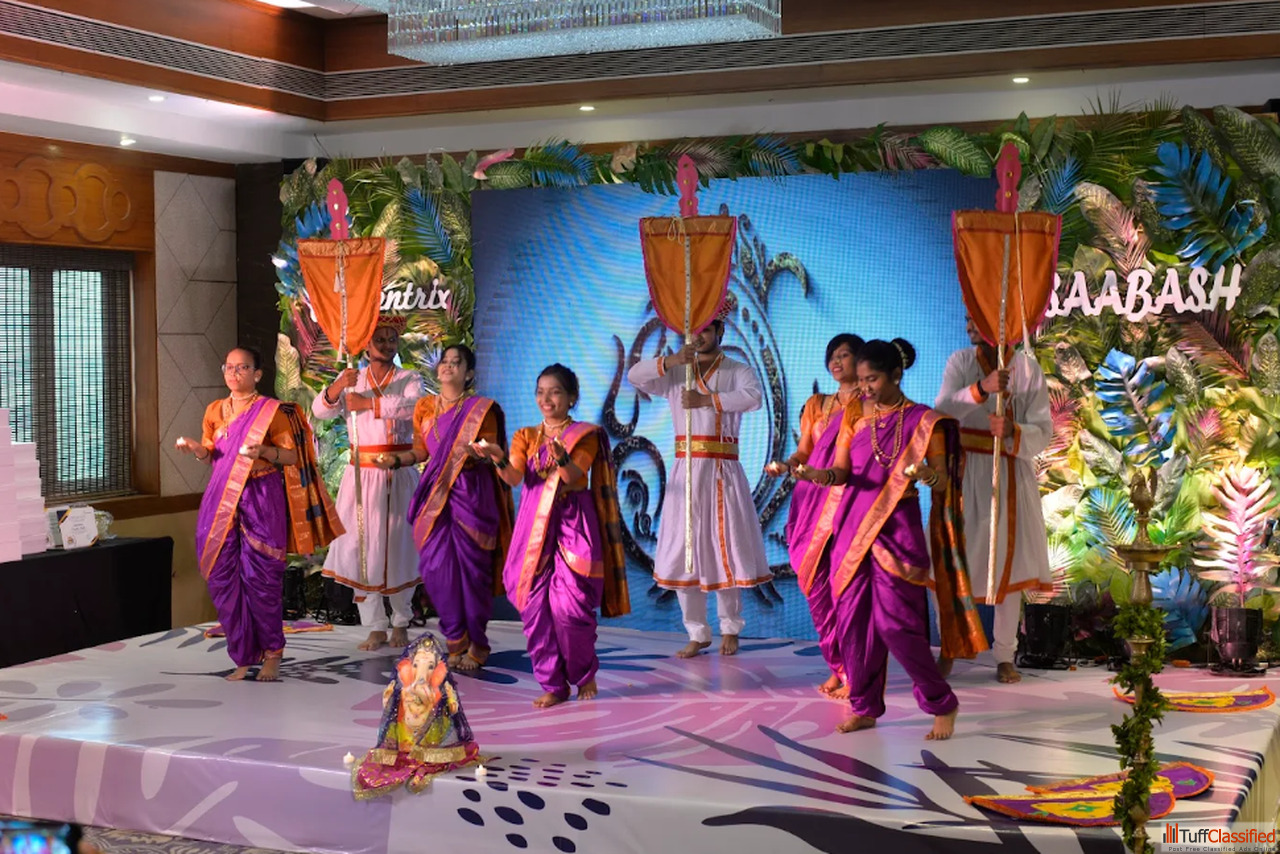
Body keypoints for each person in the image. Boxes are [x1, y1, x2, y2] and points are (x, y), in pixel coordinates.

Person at [794, 338, 986, 740]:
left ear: (896, 375)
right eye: (862, 380)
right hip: (851, 527)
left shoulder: (924, 421)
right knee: (853, 623)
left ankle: (941, 702)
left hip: (897, 529)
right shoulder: (853, 416)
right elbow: (841, 472)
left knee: (896, 626)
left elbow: (943, 480)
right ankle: (864, 707)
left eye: (873, 379)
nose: (865, 388)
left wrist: (927, 475)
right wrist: (816, 475)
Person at [176, 345, 342, 682]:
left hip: (261, 496)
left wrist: (264, 451)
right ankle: (243, 654)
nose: (234, 373)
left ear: (258, 374)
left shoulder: (271, 412)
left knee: (260, 579)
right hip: (221, 500)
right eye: (229, 366)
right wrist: (196, 450)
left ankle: (273, 653)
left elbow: (292, 457)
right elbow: (212, 455)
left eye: (242, 367)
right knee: (222, 578)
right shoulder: (214, 410)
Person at [473, 364, 629, 709]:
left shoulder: (585, 435)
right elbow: (515, 477)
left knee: (569, 610)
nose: (546, 399)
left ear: (571, 397)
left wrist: (562, 459)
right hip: (534, 532)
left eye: (555, 392)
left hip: (573, 526)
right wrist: (498, 458)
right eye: (540, 392)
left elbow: (574, 475)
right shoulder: (525, 436)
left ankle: (584, 674)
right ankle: (554, 685)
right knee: (535, 611)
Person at [626, 298, 773, 658]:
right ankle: (697, 631)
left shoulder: (737, 370)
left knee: (727, 547)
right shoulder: (678, 372)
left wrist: (709, 401)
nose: (700, 336)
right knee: (684, 549)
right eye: (694, 331)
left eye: (707, 329)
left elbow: (754, 398)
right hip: (687, 470)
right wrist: (670, 361)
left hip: (724, 469)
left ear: (721, 330)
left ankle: (729, 627)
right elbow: (635, 376)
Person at [934, 316, 1054, 683]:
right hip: (965, 471)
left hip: (1009, 471)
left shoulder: (1027, 370)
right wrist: (980, 390)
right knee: (954, 563)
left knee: (1008, 564)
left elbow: (1043, 429)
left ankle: (1005, 655)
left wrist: (1014, 430)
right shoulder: (960, 362)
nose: (968, 325)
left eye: (976, 319)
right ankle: (950, 647)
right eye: (966, 318)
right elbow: (942, 409)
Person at [381, 344, 513, 671]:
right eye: (445, 361)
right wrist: (395, 460)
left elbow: (490, 452)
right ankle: (455, 639)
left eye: (457, 363)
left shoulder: (482, 410)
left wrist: (477, 452)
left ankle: (477, 644)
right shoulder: (425, 407)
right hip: (435, 496)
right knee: (436, 570)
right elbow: (421, 452)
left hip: (472, 494)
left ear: (469, 374)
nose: (448, 366)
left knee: (472, 573)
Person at [313, 315, 424, 652]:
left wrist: (368, 404)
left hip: (398, 471)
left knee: (399, 545)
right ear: (366, 344)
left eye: (392, 339)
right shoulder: (352, 377)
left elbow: (413, 408)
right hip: (361, 476)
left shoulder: (408, 377)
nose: (387, 345)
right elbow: (320, 411)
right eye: (380, 339)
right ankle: (375, 625)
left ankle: (401, 621)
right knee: (362, 547)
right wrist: (337, 388)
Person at [764, 333, 864, 698]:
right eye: (832, 356)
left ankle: (856, 670)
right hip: (810, 499)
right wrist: (786, 465)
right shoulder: (817, 404)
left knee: (844, 588)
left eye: (844, 355)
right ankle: (838, 666)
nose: (836, 362)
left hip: (847, 501)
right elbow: (804, 451)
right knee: (817, 587)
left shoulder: (868, 405)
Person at [351, 632, 482, 798]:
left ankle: (425, 753)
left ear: (437, 669)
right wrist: (391, 697)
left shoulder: (439, 690)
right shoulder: (404, 688)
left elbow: (453, 708)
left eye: (430, 666)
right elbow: (391, 708)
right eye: (416, 664)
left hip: (431, 739)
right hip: (406, 735)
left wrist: (448, 699)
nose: (422, 674)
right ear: (409, 666)